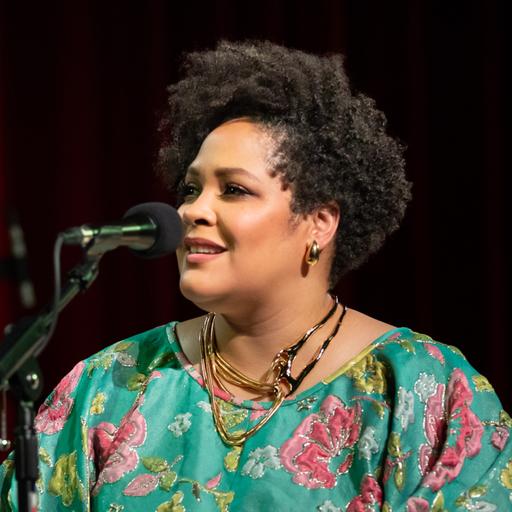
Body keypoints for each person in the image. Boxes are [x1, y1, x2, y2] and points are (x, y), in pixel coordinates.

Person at [1, 40, 511, 511]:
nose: (192, 211)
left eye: (234, 190)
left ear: (319, 223)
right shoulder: (109, 387)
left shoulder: (423, 389)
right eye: (190, 188)